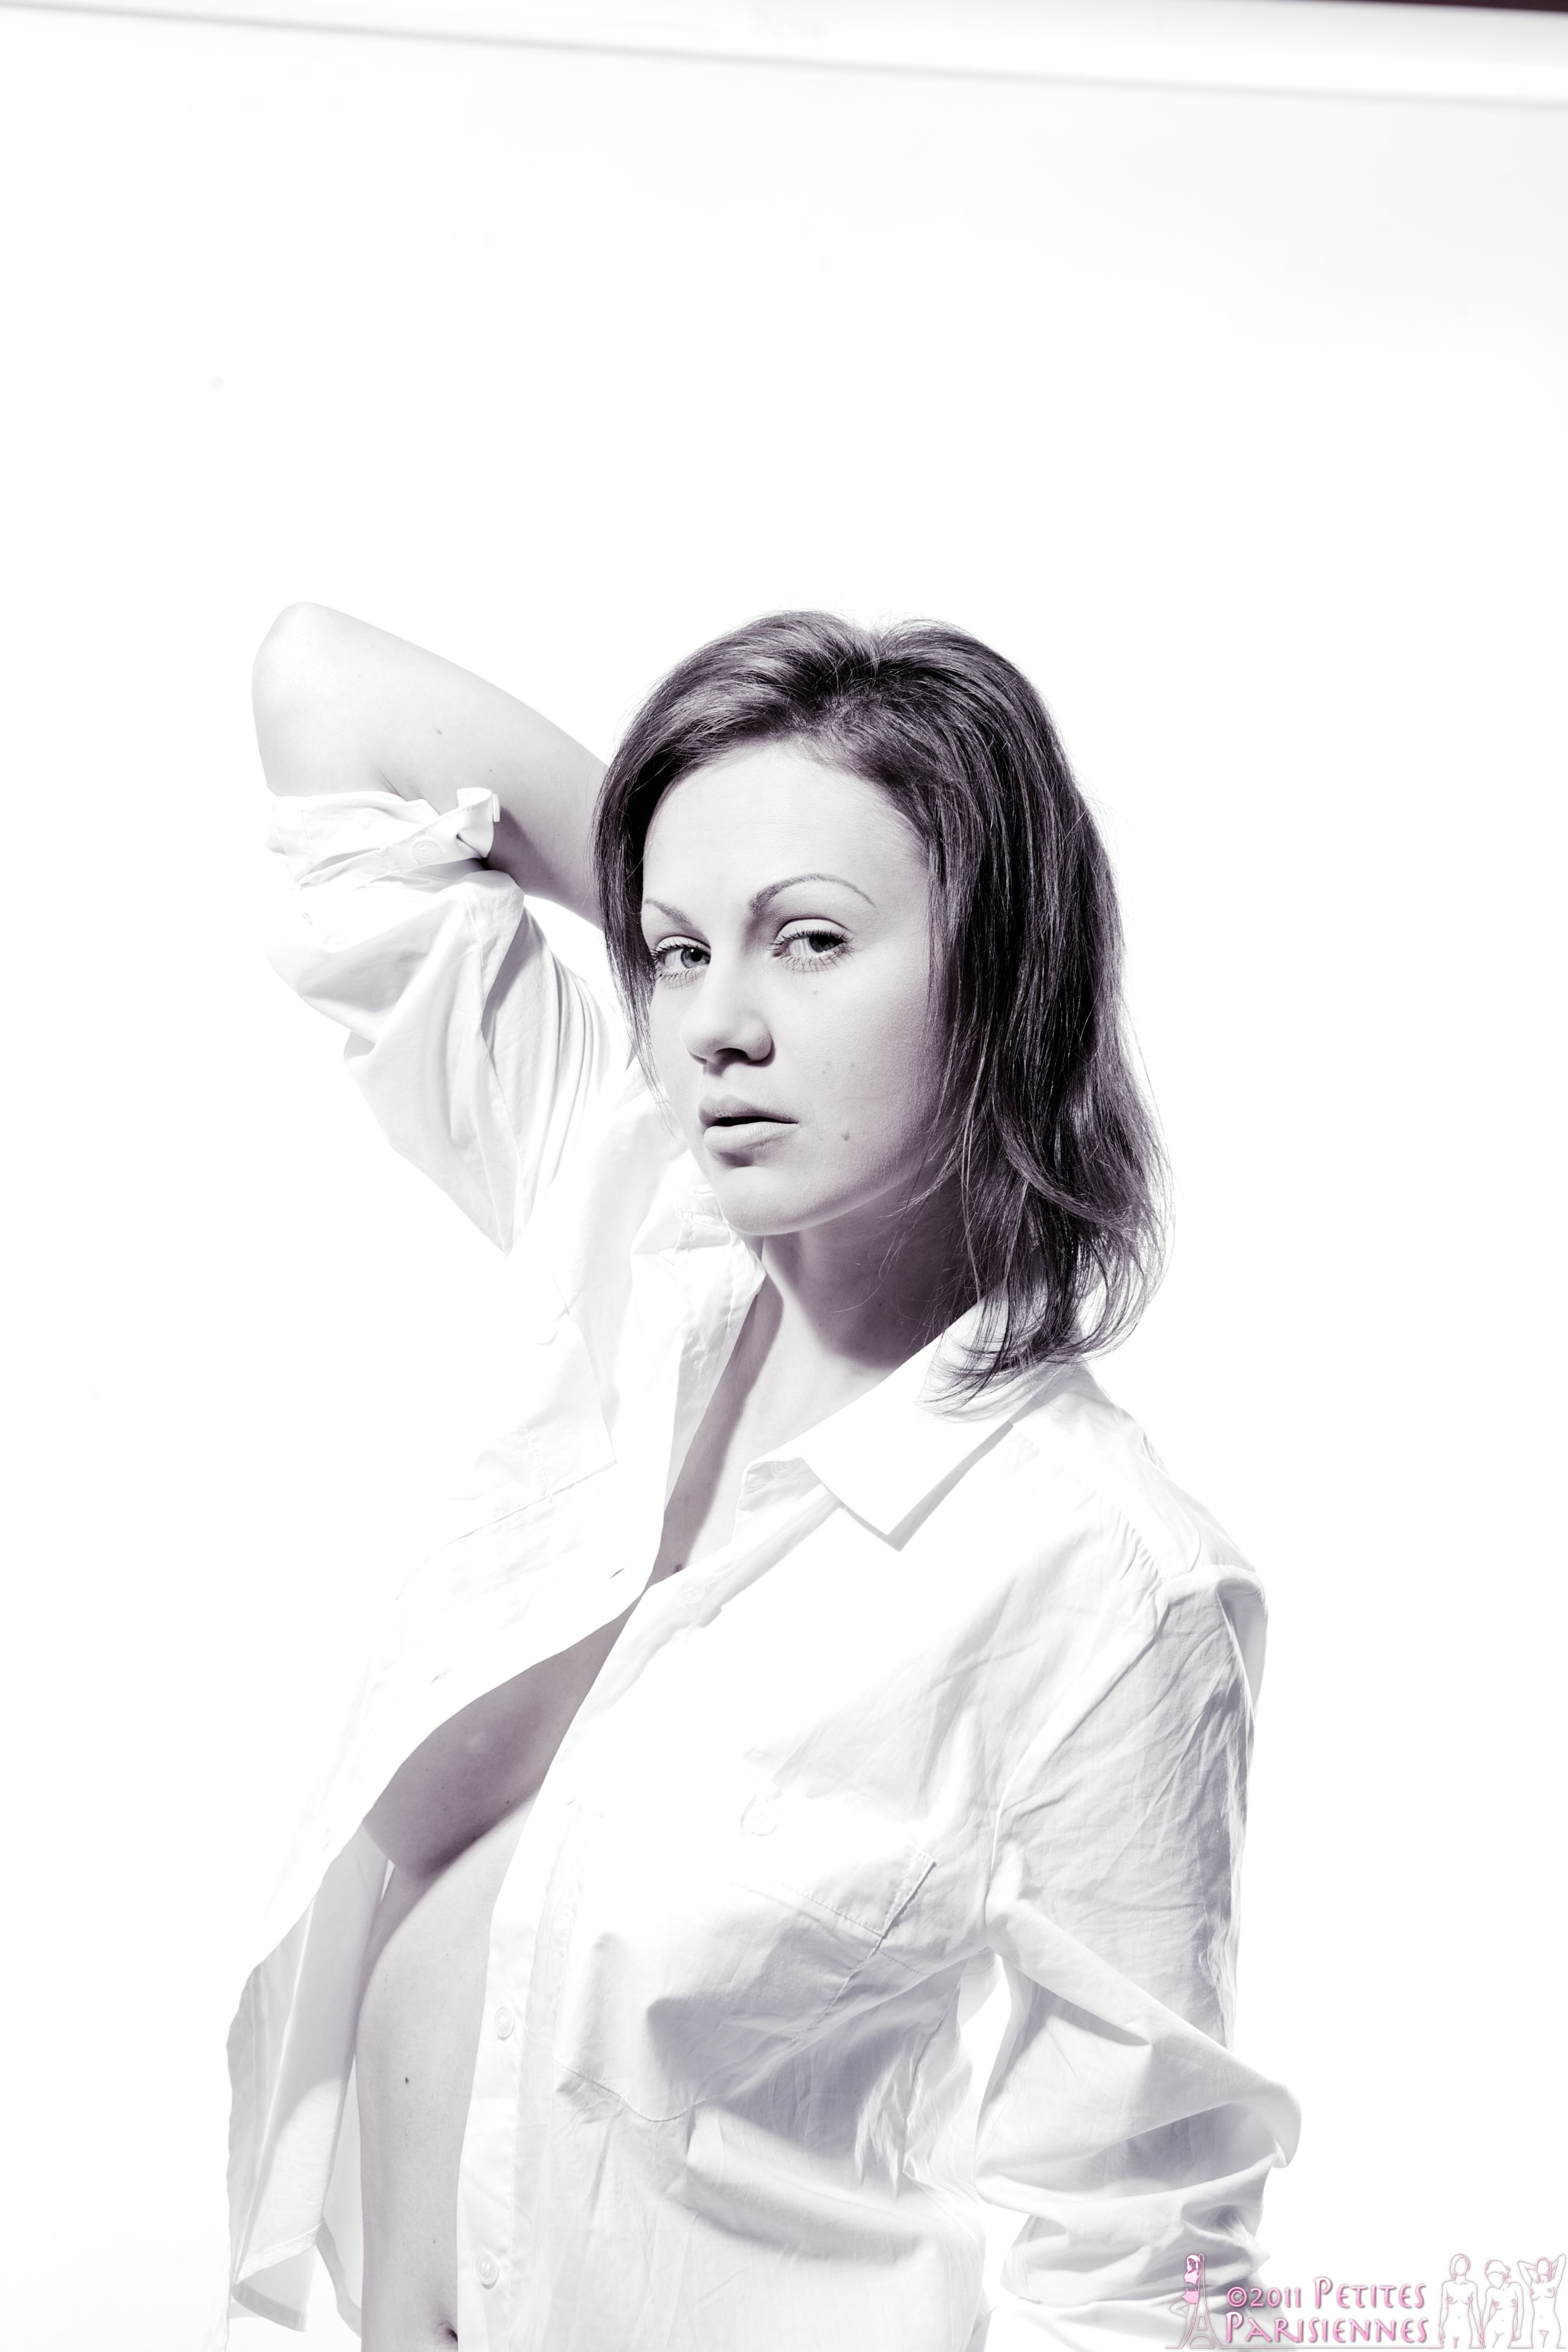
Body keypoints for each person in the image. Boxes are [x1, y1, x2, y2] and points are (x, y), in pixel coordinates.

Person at [222, 603, 1300, 2352]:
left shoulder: (1104, 1580)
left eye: (812, 943)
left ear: (1005, 973)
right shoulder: (620, 1234)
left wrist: (718, 905)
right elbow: (324, 700)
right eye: (673, 955)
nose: (720, 1027)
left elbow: (1143, 2271)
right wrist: (707, 878)